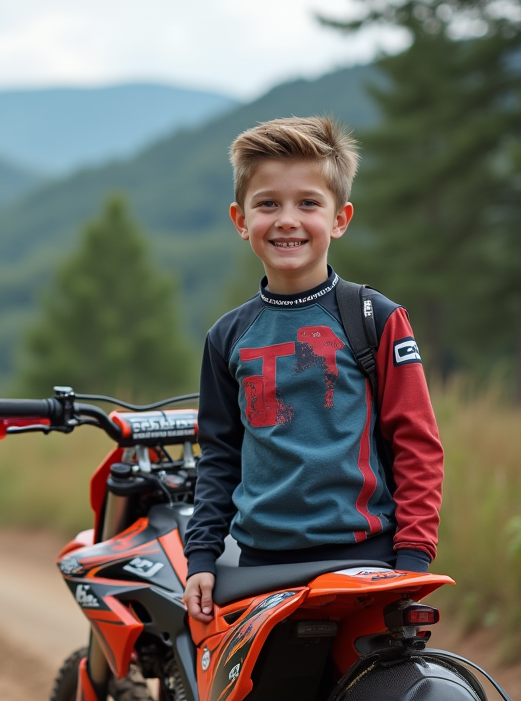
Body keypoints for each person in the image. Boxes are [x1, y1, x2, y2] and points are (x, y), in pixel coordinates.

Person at [182, 116, 443, 624]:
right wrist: (202, 557)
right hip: (260, 565)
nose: (286, 220)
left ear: (340, 218)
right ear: (240, 219)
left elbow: (417, 442)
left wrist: (412, 556)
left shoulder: (376, 319)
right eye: (267, 204)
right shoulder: (228, 337)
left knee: (370, 697)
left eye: (308, 203)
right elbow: (219, 456)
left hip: (365, 558)